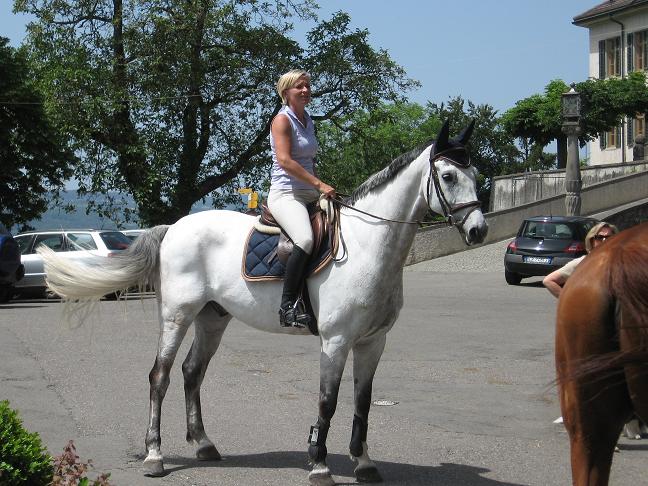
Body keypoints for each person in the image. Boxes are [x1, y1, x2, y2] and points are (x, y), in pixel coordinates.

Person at [268, 69, 335, 328]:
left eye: (307, 86)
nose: (306, 90)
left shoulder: (308, 119)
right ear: (286, 92)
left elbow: (309, 160)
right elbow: (285, 160)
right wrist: (319, 184)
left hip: (309, 192)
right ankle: (287, 306)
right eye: (299, 87)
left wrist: (320, 189)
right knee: (305, 239)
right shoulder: (282, 120)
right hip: (287, 194)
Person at [543, 222, 619, 298]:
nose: (604, 240)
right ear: (592, 241)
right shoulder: (582, 262)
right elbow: (549, 281)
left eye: (609, 237)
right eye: (599, 237)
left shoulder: (622, 262)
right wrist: (570, 302)